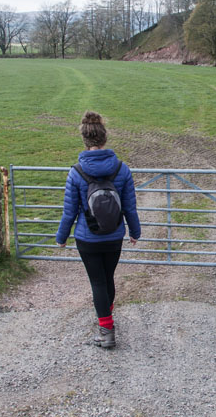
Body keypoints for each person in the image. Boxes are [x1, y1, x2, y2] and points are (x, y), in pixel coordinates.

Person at [56, 111, 141, 349]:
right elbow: (130, 207)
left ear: (85, 140)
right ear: (104, 139)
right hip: (114, 236)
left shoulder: (76, 172)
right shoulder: (121, 169)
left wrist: (61, 237)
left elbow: (69, 211)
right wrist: (135, 232)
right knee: (107, 278)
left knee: (98, 282)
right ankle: (107, 316)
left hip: (87, 237)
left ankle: (106, 330)